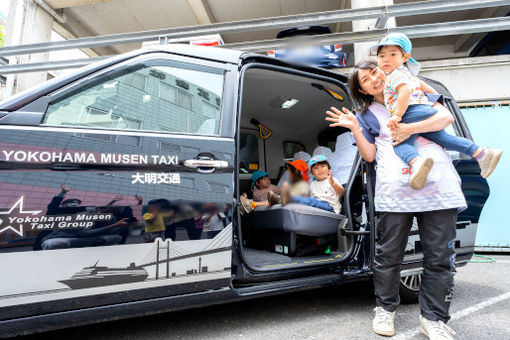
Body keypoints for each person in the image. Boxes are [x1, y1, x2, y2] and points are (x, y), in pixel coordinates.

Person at [326, 60, 468, 339]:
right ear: (362, 90)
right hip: (395, 192)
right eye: (365, 80)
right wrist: (355, 126)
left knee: (439, 258)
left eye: (374, 72)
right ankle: (385, 309)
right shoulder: (367, 114)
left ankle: (434, 319)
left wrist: (407, 128)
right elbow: (368, 155)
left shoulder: (415, 90)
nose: (374, 80)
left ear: (384, 70)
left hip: (438, 187)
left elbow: (445, 119)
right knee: (388, 256)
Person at [371, 33, 501, 189]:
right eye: (381, 55)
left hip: (409, 112)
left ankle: (417, 162)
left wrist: (398, 115)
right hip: (424, 110)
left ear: (405, 57)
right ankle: (482, 153)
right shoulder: (409, 75)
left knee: (399, 143)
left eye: (392, 54)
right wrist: (435, 105)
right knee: (443, 138)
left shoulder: (394, 75)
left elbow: (404, 93)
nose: (386, 59)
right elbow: (429, 90)